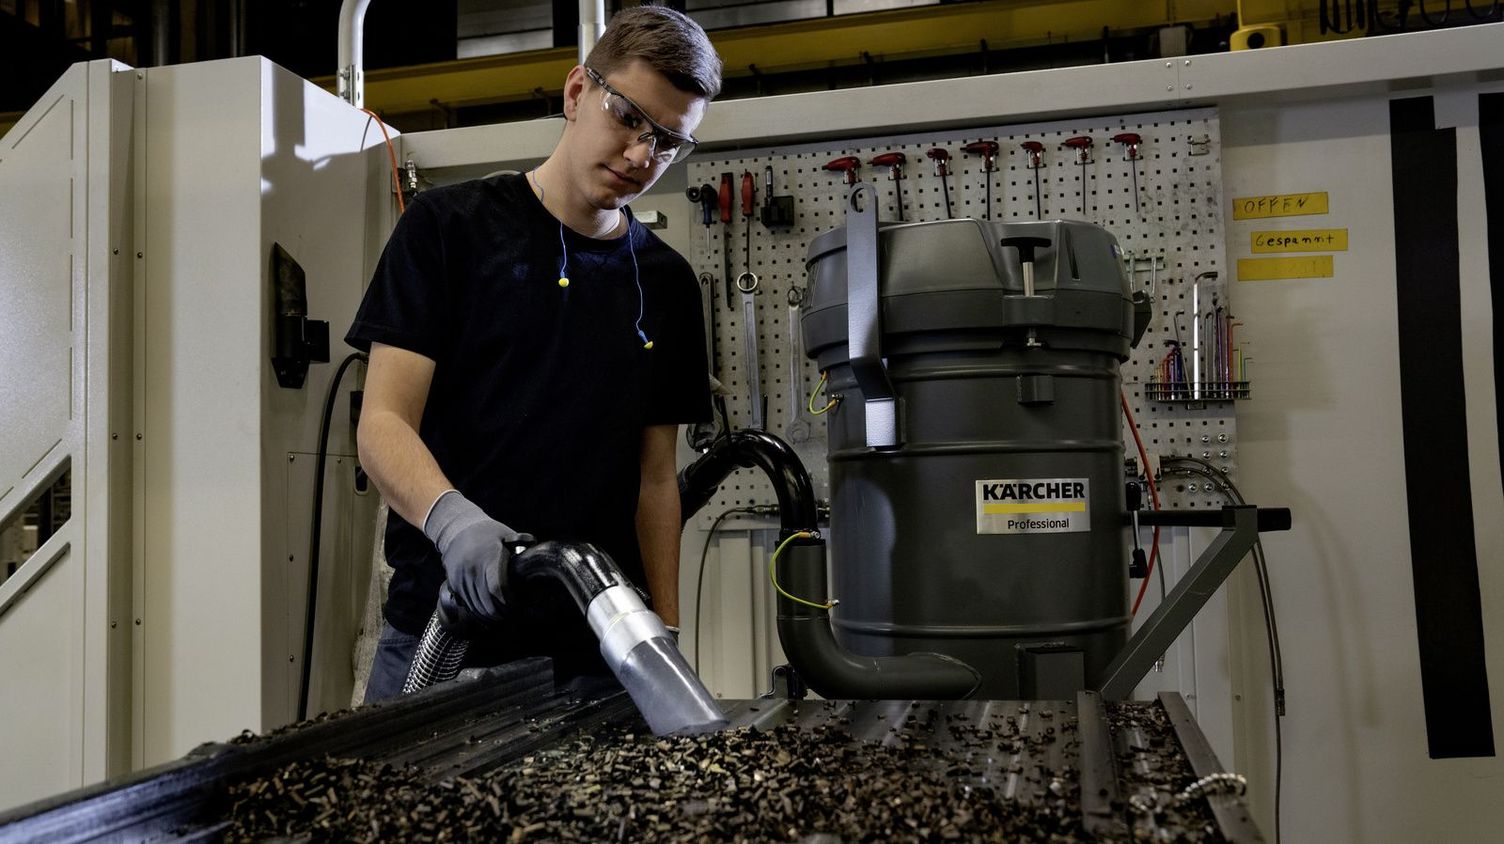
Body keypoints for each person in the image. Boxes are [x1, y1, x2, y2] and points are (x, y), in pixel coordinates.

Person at [346, 5, 722, 703]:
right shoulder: (448, 231)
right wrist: (456, 524)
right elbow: (383, 425)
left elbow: (657, 479)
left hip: (595, 651)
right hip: (441, 636)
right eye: (631, 118)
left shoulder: (666, 283)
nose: (644, 155)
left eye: (670, 141)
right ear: (577, 92)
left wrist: (664, 627)